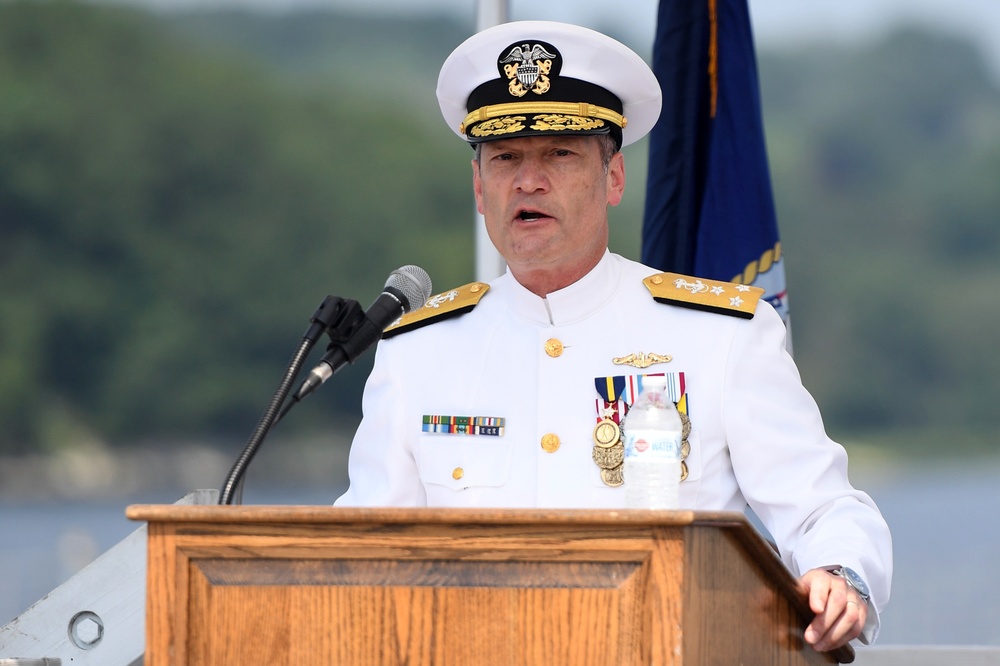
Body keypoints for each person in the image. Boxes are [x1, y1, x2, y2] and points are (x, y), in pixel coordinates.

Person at [335, 20, 891, 653]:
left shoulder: (721, 335)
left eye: (559, 154)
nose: (528, 181)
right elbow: (362, 550)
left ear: (615, 178)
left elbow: (826, 510)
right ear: (479, 189)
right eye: (506, 158)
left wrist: (839, 575)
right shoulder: (417, 351)